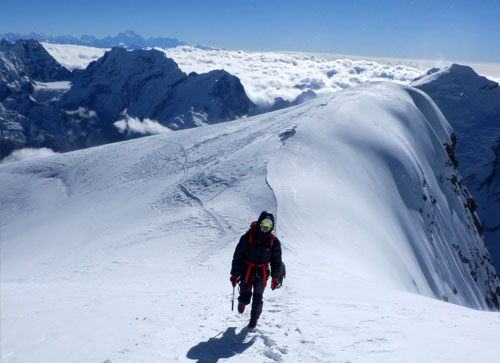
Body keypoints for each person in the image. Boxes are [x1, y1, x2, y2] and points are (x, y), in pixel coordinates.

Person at [230, 211, 283, 328]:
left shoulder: (273, 242)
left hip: (262, 272)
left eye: (269, 227)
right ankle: (242, 302)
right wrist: (234, 274)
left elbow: (276, 261)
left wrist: (275, 277)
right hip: (247, 270)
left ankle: (254, 319)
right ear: (259, 223)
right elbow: (238, 256)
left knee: (258, 297)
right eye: (264, 225)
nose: (265, 229)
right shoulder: (247, 237)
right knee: (245, 297)